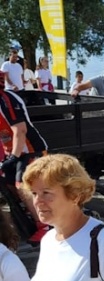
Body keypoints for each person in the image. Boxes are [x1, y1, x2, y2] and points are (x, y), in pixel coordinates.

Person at [0, 70, 50, 244]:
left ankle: (43, 225)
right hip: (12, 151)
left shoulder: (6, 100)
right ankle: (29, 210)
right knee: (7, 184)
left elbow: (20, 130)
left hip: (30, 149)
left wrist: (13, 157)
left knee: (22, 185)